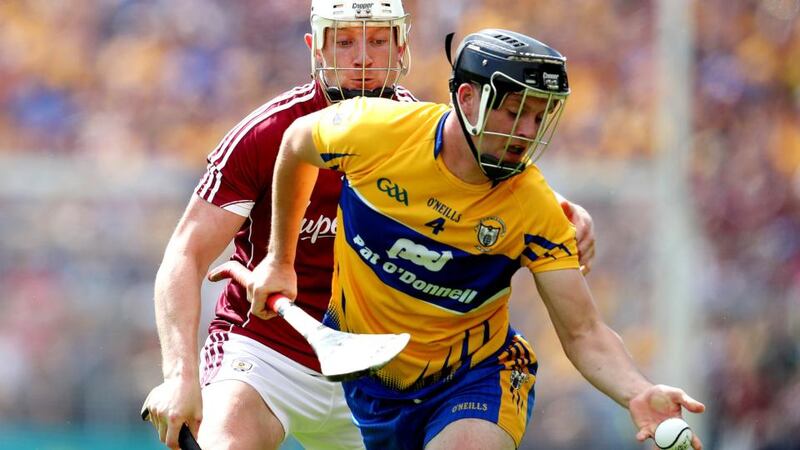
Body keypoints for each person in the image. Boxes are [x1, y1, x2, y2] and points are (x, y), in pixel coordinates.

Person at [141, 2, 597, 449]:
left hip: (379, 370)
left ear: (401, 49)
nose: (362, 57)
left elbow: (489, 176)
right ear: (315, 49)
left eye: (378, 40)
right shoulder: (268, 133)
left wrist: (560, 208)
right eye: (344, 41)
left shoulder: (422, 133)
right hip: (266, 352)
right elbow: (185, 254)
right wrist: (179, 376)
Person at [245, 28, 706, 450]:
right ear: (467, 98)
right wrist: (279, 259)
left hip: (476, 378)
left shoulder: (534, 208)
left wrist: (637, 391)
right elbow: (295, 145)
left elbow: (583, 331)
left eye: (539, 116)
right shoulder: (375, 133)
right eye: (515, 113)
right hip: (373, 387)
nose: (527, 132)